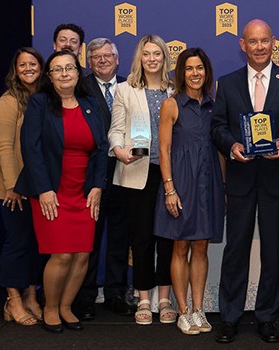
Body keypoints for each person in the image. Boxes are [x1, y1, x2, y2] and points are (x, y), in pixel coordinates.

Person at [211, 19, 279, 344]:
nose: (258, 47)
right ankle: (229, 317)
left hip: (275, 179)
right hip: (240, 180)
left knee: (272, 252)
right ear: (242, 45)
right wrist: (232, 146)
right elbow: (217, 127)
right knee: (235, 251)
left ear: (274, 43)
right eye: (252, 41)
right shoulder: (226, 84)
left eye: (264, 41)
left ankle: (267, 317)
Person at [15, 49, 108, 333]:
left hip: (84, 192)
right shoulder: (40, 103)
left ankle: (67, 306)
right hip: (51, 191)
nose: (65, 73)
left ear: (79, 73)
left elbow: (102, 148)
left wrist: (97, 186)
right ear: (50, 76)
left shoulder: (91, 103)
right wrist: (44, 189)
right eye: (58, 69)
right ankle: (51, 308)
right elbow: (30, 149)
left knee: (81, 254)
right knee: (62, 254)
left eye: (70, 68)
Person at [154, 47, 222, 335]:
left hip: (209, 181)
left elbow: (219, 148)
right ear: (180, 73)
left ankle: (198, 309)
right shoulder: (171, 104)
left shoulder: (214, 105)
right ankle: (182, 311)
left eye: (200, 68)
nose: (195, 74)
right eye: (189, 69)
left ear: (206, 72)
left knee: (201, 246)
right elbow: (164, 150)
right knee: (180, 245)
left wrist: (225, 187)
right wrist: (170, 189)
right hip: (181, 182)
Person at [109, 34, 176, 326]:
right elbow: (115, 130)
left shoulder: (176, 90)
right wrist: (119, 150)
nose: (152, 59)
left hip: (170, 174)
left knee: (168, 239)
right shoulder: (125, 90)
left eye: (157, 54)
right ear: (140, 57)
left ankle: (165, 298)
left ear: (164, 58)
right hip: (137, 173)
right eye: (146, 54)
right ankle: (144, 297)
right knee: (141, 238)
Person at [78, 36, 133, 319]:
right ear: (89, 62)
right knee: (90, 238)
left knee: (120, 238)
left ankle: (115, 293)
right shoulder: (79, 87)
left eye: (107, 55)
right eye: (96, 56)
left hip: (126, 172)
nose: (102, 60)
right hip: (91, 175)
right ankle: (85, 297)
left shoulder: (130, 85)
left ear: (117, 59)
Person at [0, 46, 46, 326]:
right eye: (22, 64)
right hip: (13, 190)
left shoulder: (45, 98)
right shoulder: (9, 100)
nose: (28, 68)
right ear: (16, 69)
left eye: (33, 64)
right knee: (17, 243)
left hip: (39, 188)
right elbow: (3, 147)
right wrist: (14, 186)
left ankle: (30, 296)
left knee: (36, 245)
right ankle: (12, 300)